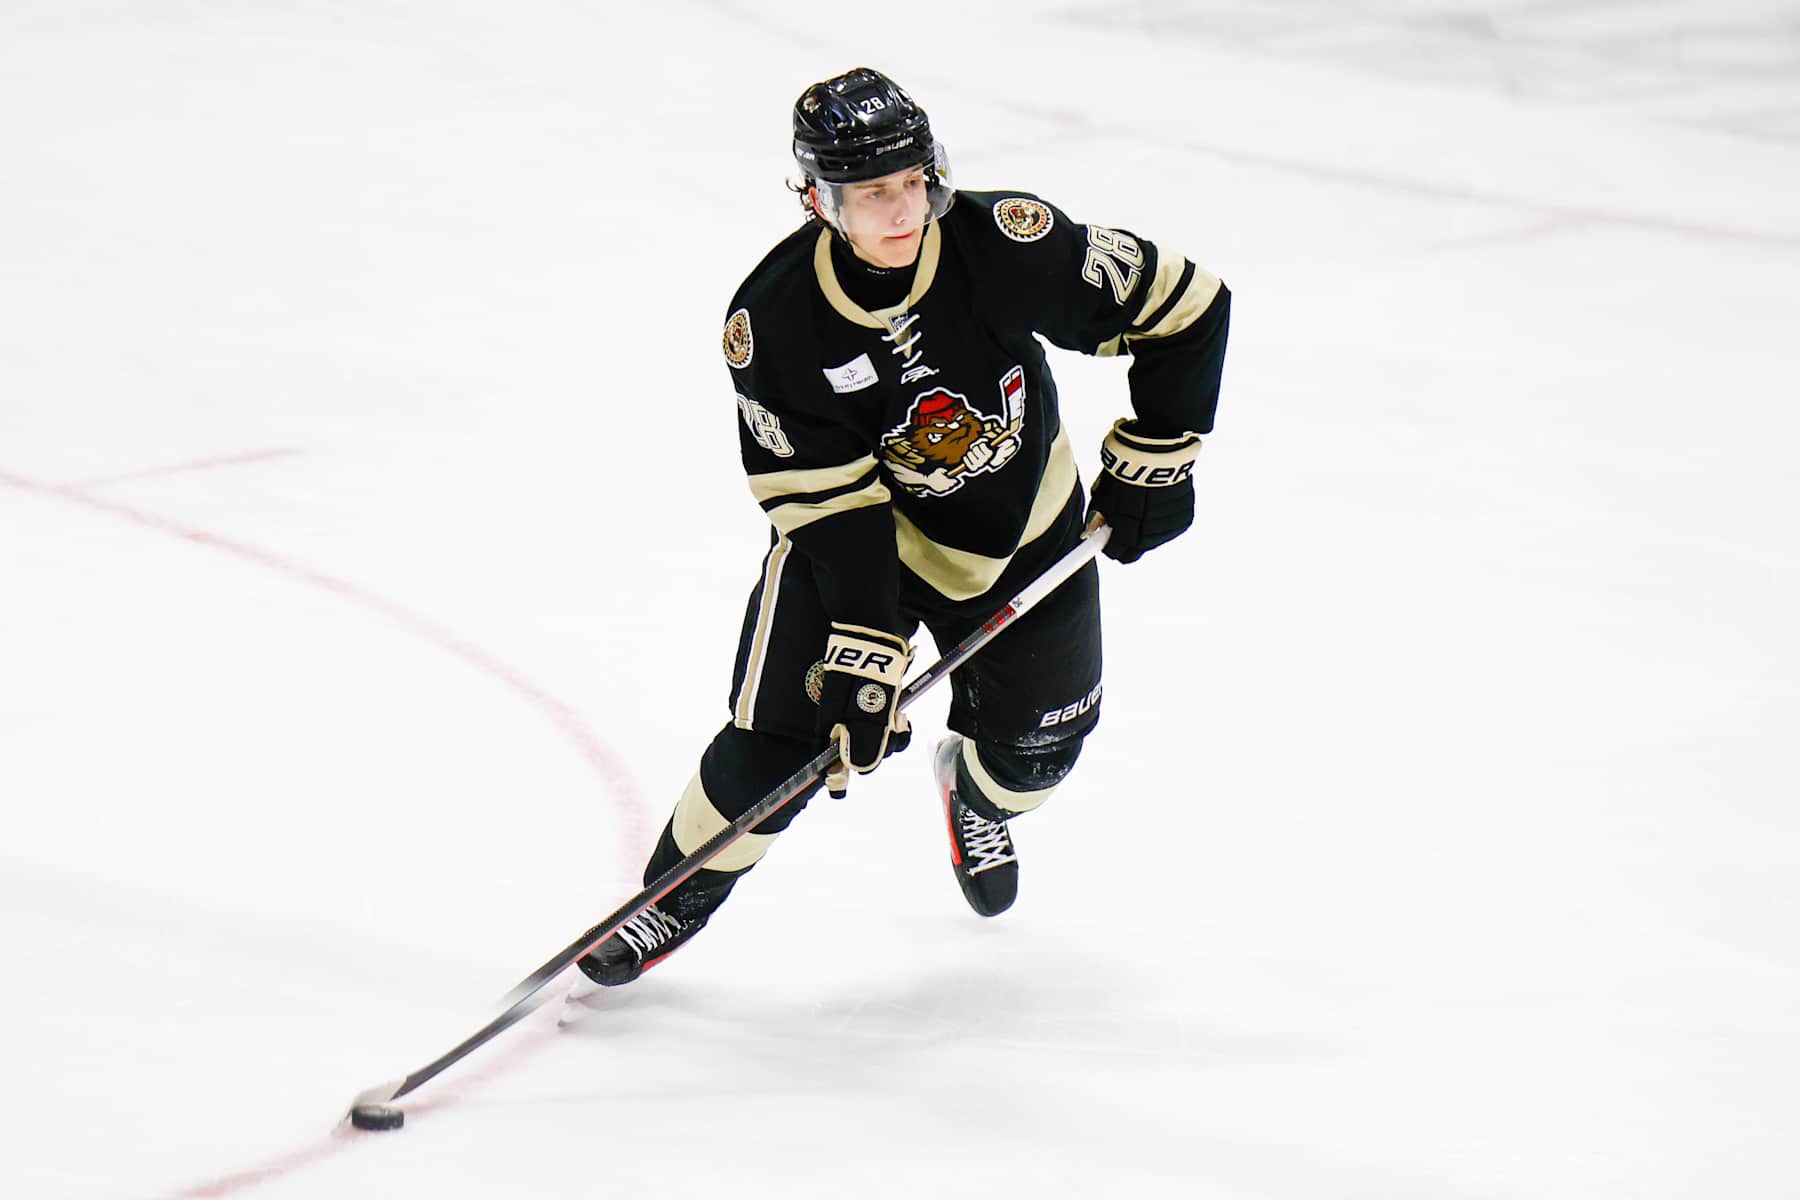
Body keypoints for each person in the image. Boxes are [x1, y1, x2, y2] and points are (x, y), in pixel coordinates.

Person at [578, 67, 1231, 986]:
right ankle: (672, 897)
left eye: (914, 180)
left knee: (1040, 751)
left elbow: (1189, 306)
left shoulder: (1005, 244)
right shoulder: (777, 321)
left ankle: (975, 795)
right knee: (781, 740)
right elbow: (828, 502)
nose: (904, 209)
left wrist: (1157, 455)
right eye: (873, 192)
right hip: (864, 546)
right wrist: (863, 638)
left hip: (1027, 527)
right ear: (819, 199)